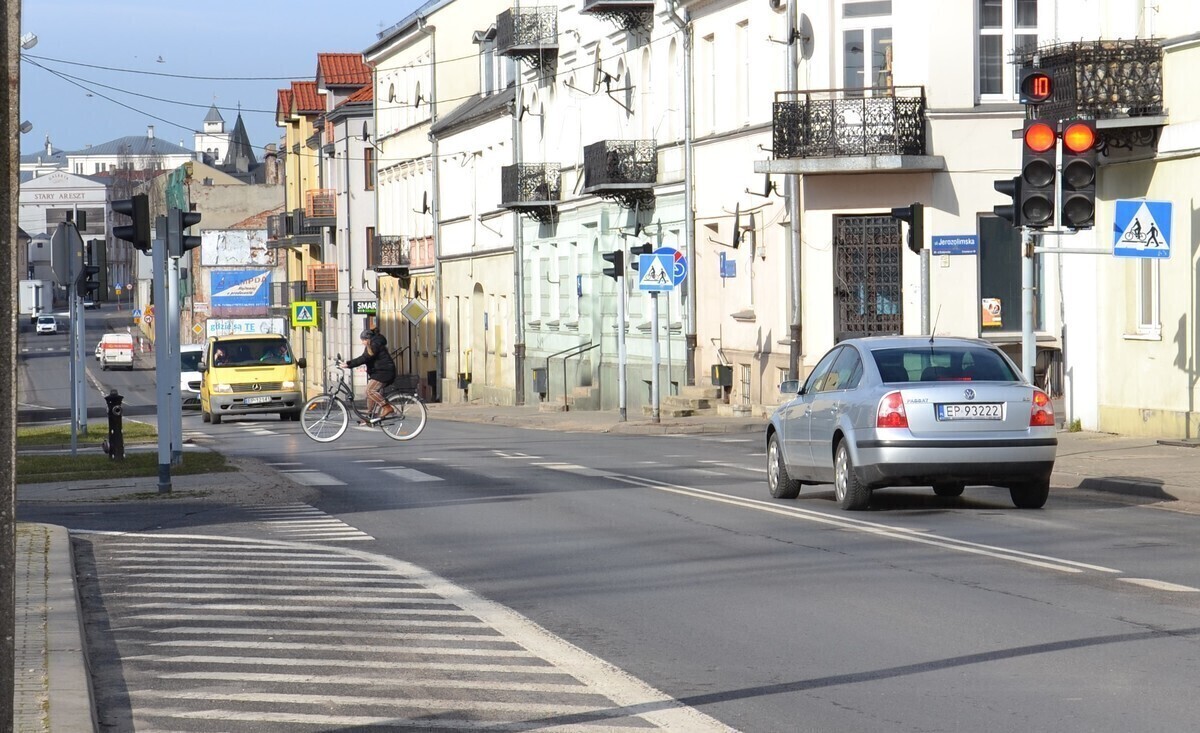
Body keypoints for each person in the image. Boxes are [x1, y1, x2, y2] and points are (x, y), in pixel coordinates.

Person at [344, 329, 397, 422]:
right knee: (370, 394)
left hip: (384, 373)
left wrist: (349, 364)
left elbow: (364, 358)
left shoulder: (374, 345)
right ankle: (370, 416)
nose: (362, 343)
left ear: (367, 339)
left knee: (370, 391)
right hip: (380, 372)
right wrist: (349, 363)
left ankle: (387, 407)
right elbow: (364, 358)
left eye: (363, 340)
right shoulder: (372, 344)